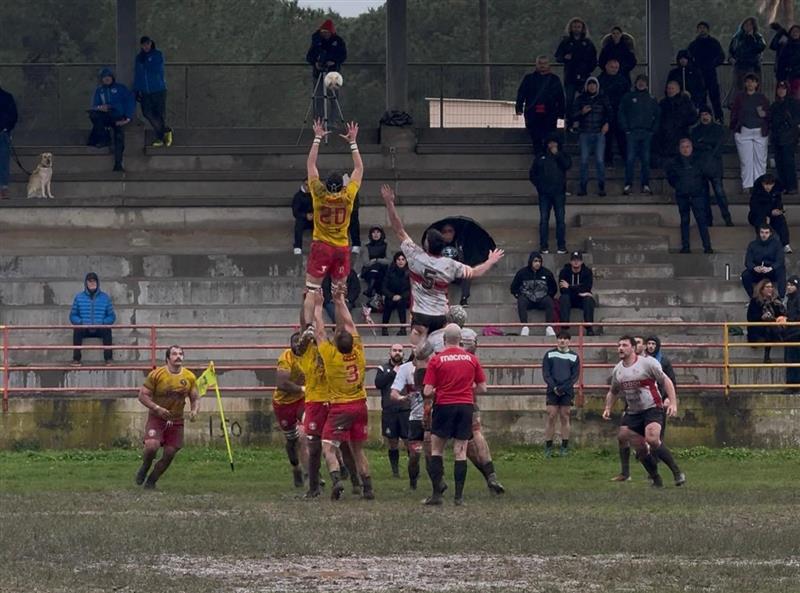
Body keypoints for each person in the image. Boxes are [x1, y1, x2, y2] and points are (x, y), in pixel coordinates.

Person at [380, 184, 503, 346]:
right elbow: (474, 272)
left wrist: (389, 203)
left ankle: (417, 357)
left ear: (427, 244)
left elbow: (398, 229)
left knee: (418, 346)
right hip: (440, 314)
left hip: (420, 313)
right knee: (441, 346)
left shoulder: (416, 255)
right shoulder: (449, 264)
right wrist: (490, 261)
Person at [311, 287, 374, 501]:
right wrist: (340, 301)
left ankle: (337, 479)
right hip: (360, 404)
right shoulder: (358, 352)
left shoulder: (331, 356)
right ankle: (368, 487)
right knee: (358, 450)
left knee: (328, 446)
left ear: (336, 344)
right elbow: (350, 324)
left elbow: (320, 332)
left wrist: (318, 306)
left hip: (340, 406)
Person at [302, 118, 363, 328]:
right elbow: (359, 169)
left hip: (322, 246)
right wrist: (352, 142)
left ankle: (308, 328)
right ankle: (343, 330)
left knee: (312, 290)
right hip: (341, 248)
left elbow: (311, 165)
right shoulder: (348, 196)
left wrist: (317, 138)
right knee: (339, 293)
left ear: (326, 184)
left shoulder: (319, 193)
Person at [603, 336, 684, 488]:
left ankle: (676, 472)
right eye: (619, 345)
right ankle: (656, 478)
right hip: (634, 412)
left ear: (633, 348)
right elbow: (613, 391)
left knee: (652, 439)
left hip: (653, 407)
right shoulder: (618, 370)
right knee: (632, 442)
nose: (620, 348)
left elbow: (666, 381)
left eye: (624, 345)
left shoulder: (647, 363)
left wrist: (673, 402)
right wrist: (608, 408)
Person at [423, 323, 487, 506]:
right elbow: (483, 388)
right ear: (460, 339)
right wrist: (466, 388)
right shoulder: (471, 359)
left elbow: (427, 391)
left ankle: (437, 494)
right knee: (460, 451)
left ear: (444, 339)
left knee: (437, 450)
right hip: (465, 406)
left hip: (444, 405)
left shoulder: (436, 360)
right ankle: (459, 497)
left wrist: (440, 389)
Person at [135, 345, 198, 489]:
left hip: (176, 420)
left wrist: (194, 410)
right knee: (151, 446)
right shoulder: (156, 374)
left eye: (181, 354)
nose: (178, 356)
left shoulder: (189, 376)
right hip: (157, 418)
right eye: (174, 354)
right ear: (168, 358)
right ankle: (145, 466)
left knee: (169, 453)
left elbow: (195, 397)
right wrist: (156, 408)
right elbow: (142, 396)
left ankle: (151, 481)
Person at [390, 341, 434, 490]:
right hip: (415, 417)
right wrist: (402, 398)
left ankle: (436, 484)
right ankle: (413, 482)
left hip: (433, 416)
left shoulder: (435, 366)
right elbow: (393, 392)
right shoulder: (405, 369)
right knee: (415, 454)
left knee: (430, 453)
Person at [666, 138, 714, 254]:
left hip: (697, 194)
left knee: (701, 221)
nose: (685, 149)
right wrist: (679, 186)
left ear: (692, 148)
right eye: (683, 147)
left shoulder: (699, 160)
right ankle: (685, 246)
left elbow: (705, 175)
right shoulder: (674, 162)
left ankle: (707, 246)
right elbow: (671, 178)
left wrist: (699, 188)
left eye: (687, 147)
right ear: (679, 149)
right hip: (682, 195)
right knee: (684, 220)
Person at [273, 332, 309, 488]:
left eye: (300, 341)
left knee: (307, 432)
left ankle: (311, 474)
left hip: (302, 400)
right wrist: (302, 388)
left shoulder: (310, 356)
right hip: (284, 403)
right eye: (294, 342)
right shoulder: (286, 357)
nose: (297, 344)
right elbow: (282, 384)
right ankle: (296, 467)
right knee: (292, 441)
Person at [691, 106, 734, 226]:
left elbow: (718, 145)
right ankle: (708, 221)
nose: (704, 117)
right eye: (702, 115)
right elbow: (695, 145)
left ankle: (727, 218)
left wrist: (703, 143)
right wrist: (708, 145)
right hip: (701, 167)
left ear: (711, 116)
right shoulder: (695, 131)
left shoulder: (718, 129)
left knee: (720, 194)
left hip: (715, 167)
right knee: (704, 196)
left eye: (706, 114)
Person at [515, 55, 565, 156]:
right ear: (536, 64)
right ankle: (539, 158)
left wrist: (561, 112)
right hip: (533, 113)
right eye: (540, 63)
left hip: (550, 114)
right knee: (536, 138)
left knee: (550, 138)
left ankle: (548, 158)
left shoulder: (554, 79)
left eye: (544, 63)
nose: (542, 66)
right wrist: (519, 107)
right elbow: (521, 93)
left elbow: (560, 97)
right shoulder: (529, 79)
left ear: (549, 65)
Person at [618, 74, 659, 196]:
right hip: (632, 133)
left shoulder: (651, 99)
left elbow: (658, 116)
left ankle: (645, 184)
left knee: (646, 160)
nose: (641, 84)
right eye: (639, 81)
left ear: (647, 84)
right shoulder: (628, 97)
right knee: (630, 159)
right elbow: (621, 113)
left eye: (644, 82)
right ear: (635, 83)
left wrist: (652, 130)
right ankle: (628, 184)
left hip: (646, 133)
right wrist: (626, 128)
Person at [87, 67, 134, 172]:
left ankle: (118, 164)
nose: (107, 79)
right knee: (93, 115)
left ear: (112, 77)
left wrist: (127, 118)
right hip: (105, 116)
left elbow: (130, 102)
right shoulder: (99, 90)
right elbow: (94, 106)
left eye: (108, 76)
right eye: (104, 77)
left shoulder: (121, 88)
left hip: (118, 117)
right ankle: (104, 138)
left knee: (119, 137)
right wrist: (100, 108)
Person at [530, 135, 571, 254]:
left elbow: (567, 165)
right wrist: (540, 186)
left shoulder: (563, 155)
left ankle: (561, 246)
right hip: (544, 194)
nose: (552, 145)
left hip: (559, 193)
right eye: (550, 143)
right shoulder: (540, 157)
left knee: (560, 220)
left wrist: (558, 155)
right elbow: (532, 174)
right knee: (544, 220)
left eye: (554, 143)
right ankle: (543, 246)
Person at [542, 330, 580, 457]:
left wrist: (563, 388)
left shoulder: (574, 356)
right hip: (552, 390)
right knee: (551, 416)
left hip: (567, 390)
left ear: (569, 341)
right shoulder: (549, 354)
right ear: (557, 340)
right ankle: (548, 447)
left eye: (565, 338)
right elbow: (546, 373)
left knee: (565, 416)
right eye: (560, 338)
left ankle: (564, 447)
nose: (562, 341)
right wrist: (554, 387)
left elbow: (575, 376)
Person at [572, 76, 611, 196]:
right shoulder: (580, 99)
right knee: (584, 161)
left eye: (594, 84)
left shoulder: (603, 98)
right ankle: (583, 187)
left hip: (599, 133)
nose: (592, 86)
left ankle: (601, 186)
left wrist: (607, 123)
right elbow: (572, 115)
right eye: (590, 84)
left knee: (599, 160)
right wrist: (581, 112)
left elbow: (610, 113)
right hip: (584, 133)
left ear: (597, 86)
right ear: (586, 86)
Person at [731, 74, 770, 192]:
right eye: (748, 82)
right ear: (745, 83)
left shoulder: (762, 97)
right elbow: (734, 113)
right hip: (744, 130)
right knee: (746, 160)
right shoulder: (740, 97)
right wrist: (735, 127)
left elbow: (768, 114)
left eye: (753, 82)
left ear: (757, 84)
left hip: (759, 131)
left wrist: (763, 114)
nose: (750, 84)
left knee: (760, 160)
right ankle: (747, 185)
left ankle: (760, 185)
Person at [555, 17, 597, 126]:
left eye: (578, 27)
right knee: (569, 101)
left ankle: (584, 122)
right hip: (570, 76)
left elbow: (594, 59)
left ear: (582, 28)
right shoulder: (566, 42)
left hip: (584, 76)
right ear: (570, 28)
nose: (576, 29)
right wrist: (564, 57)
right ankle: (569, 123)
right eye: (574, 27)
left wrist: (588, 69)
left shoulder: (588, 43)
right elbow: (558, 57)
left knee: (585, 100)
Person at [375, 344, 408, 478]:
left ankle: (413, 470)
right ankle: (395, 472)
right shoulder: (383, 368)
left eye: (400, 351)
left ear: (403, 354)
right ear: (390, 353)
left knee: (409, 441)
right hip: (389, 411)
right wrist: (393, 372)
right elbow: (378, 384)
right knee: (392, 442)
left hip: (405, 409)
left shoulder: (407, 367)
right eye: (394, 350)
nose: (397, 353)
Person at [69, 272, 116, 365]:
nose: (92, 283)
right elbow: (73, 315)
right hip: (84, 328)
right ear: (86, 283)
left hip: (100, 328)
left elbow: (112, 316)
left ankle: (109, 359)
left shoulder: (105, 298)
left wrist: (104, 323)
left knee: (107, 330)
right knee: (77, 330)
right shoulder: (79, 297)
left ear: (97, 283)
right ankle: (76, 359)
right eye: (89, 281)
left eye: (94, 281)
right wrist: (80, 322)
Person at [133, 36, 172, 147]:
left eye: (147, 44)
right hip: (145, 91)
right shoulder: (139, 58)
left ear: (151, 44)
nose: (146, 46)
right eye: (143, 45)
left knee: (159, 113)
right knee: (147, 112)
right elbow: (137, 74)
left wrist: (146, 63)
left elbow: (157, 69)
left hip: (158, 89)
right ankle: (166, 130)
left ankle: (160, 137)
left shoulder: (157, 54)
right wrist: (136, 89)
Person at [306, 19, 347, 119]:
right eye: (323, 32)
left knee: (333, 98)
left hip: (333, 75)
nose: (325, 34)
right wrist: (315, 62)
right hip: (318, 74)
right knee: (318, 98)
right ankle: (319, 120)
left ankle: (333, 120)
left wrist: (334, 61)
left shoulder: (338, 41)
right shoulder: (316, 41)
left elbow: (343, 56)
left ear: (331, 32)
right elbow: (309, 56)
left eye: (327, 32)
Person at [510, 251, 558, 337]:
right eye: (535, 261)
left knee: (549, 301)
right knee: (521, 301)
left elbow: (553, 288)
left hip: (542, 299)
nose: (537, 263)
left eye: (539, 261)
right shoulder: (522, 273)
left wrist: (548, 295)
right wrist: (519, 295)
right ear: (531, 261)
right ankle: (525, 327)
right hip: (527, 299)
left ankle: (549, 327)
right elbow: (514, 287)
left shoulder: (547, 273)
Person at [688, 21, 726, 122]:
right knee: (701, 98)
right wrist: (694, 68)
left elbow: (721, 56)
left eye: (704, 28)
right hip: (698, 74)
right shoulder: (694, 44)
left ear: (708, 30)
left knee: (715, 97)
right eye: (700, 28)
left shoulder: (714, 42)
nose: (702, 30)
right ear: (697, 30)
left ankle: (719, 118)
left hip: (711, 73)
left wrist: (713, 64)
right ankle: (702, 119)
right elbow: (688, 58)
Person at [770, 81, 800, 194]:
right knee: (779, 163)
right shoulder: (774, 105)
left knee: (788, 163)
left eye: (783, 88)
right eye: (779, 88)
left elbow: (796, 120)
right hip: (777, 138)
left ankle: (792, 187)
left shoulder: (793, 103)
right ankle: (783, 186)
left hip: (789, 138)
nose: (781, 91)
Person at [598, 59, 630, 166]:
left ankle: (625, 159)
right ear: (606, 67)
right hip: (605, 113)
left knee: (621, 137)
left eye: (616, 67)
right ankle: (607, 160)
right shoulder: (600, 80)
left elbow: (627, 97)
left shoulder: (623, 81)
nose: (614, 69)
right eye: (612, 67)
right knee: (606, 137)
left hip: (619, 112)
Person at [749, 174, 791, 253]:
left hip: (773, 214)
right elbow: (755, 208)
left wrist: (779, 210)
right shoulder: (757, 192)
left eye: (770, 184)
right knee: (761, 221)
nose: (768, 187)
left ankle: (785, 244)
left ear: (773, 184)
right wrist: (768, 213)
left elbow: (779, 203)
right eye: (766, 184)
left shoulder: (776, 191)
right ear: (762, 184)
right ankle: (762, 243)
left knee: (781, 220)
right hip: (758, 215)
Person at [747, 279, 786, 364]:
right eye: (767, 287)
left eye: (771, 287)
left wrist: (780, 317)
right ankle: (766, 356)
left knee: (773, 327)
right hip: (758, 327)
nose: (770, 289)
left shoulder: (776, 300)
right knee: (769, 328)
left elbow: (781, 313)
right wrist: (762, 317)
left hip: (774, 324)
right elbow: (750, 317)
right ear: (761, 289)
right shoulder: (755, 301)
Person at [742, 224, 787, 299]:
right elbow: (748, 261)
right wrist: (755, 268)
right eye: (762, 232)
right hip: (758, 272)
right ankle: (753, 298)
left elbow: (780, 260)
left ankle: (781, 298)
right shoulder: (752, 245)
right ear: (759, 233)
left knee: (781, 271)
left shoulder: (777, 244)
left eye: (766, 233)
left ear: (770, 233)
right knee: (745, 275)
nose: (764, 235)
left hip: (772, 271)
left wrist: (770, 268)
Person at [658, 80, 698, 161]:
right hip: (665, 137)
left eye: (672, 88)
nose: (670, 90)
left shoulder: (686, 102)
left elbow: (693, 117)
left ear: (678, 90)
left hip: (681, 135)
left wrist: (681, 123)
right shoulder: (663, 103)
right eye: (668, 88)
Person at [558, 251, 596, 335]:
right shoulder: (564, 272)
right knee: (564, 298)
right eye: (574, 260)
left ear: (581, 261)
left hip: (582, 299)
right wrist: (579, 290)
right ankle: (564, 328)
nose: (576, 262)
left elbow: (587, 288)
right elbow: (563, 290)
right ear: (570, 261)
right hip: (569, 298)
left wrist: (569, 287)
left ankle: (589, 328)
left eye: (578, 260)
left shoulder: (587, 272)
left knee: (588, 299)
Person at [728, 17, 767, 92]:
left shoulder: (758, 37)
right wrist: (731, 59)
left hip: (753, 67)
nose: (747, 26)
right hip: (739, 67)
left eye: (750, 24)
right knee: (739, 89)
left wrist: (751, 38)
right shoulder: (737, 38)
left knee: (752, 89)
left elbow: (761, 47)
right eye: (746, 24)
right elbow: (731, 51)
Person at [440, 222, 472, 306]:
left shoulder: (459, 244)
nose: (447, 234)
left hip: (456, 272)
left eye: (450, 231)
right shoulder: (439, 245)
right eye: (444, 231)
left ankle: (464, 298)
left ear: (454, 232)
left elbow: (464, 260)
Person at [381, 251, 410, 336]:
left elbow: (411, 289)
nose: (401, 261)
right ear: (395, 261)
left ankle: (403, 329)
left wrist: (401, 296)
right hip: (391, 296)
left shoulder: (409, 273)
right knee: (388, 303)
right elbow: (383, 287)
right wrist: (391, 296)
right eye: (398, 259)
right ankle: (384, 328)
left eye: (403, 259)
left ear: (406, 261)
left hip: (404, 298)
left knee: (401, 303)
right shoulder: (389, 272)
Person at [769, 23, 800, 98]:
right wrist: (779, 33)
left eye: (797, 31)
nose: (795, 33)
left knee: (795, 97)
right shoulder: (785, 43)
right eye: (793, 31)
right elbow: (773, 46)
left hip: (796, 75)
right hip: (783, 75)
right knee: (781, 96)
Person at [361, 226, 388, 298]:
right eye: (373, 232)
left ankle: (370, 288)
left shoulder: (386, 245)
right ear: (371, 234)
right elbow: (366, 263)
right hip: (369, 269)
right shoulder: (367, 246)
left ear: (381, 234)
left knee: (378, 269)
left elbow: (389, 260)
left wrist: (376, 260)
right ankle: (374, 291)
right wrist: (379, 261)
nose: (376, 234)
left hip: (382, 269)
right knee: (375, 269)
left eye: (378, 232)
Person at [0, 84, 17, 200]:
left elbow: (13, 116)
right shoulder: (7, 97)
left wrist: (6, 128)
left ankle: (3, 189)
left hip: (2, 134)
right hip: (4, 132)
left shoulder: (7, 97)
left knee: (3, 161)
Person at [784, 276, 800, 390]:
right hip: (790, 333)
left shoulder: (797, 299)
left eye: (792, 285)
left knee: (794, 361)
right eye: (788, 285)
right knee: (790, 361)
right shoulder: (790, 299)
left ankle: (794, 386)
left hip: (796, 334)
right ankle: (792, 385)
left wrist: (788, 320)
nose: (789, 287)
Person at [292, 181, 313, 255]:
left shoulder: (315, 195)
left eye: (310, 185)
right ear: (303, 185)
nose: (308, 187)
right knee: (298, 225)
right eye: (306, 185)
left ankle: (319, 246)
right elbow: (295, 212)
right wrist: (305, 215)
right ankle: (297, 247)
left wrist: (313, 215)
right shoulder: (298, 196)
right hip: (303, 218)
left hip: (313, 218)